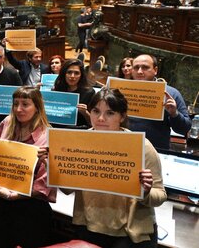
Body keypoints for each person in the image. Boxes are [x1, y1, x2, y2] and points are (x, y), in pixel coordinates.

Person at [66, 87, 166, 248]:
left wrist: (145, 191)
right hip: (88, 227)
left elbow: (160, 195)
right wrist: (53, 167)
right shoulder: (79, 142)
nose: (101, 118)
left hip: (130, 235)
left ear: (122, 116)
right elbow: (66, 190)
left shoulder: (142, 147)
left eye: (110, 113)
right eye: (95, 111)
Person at [0, 86, 56, 248]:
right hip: (1, 203)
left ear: (37, 107)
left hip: (30, 209)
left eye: (25, 104)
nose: (19, 109)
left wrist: (15, 196)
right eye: (15, 104)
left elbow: (44, 183)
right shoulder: (7, 123)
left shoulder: (47, 136)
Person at [129, 54, 191, 149]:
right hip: (124, 148)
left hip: (157, 152)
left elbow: (184, 129)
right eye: (136, 67)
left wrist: (174, 114)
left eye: (145, 67)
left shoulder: (171, 93)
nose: (140, 71)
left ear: (155, 70)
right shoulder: (120, 91)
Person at [53, 59, 95, 129]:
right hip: (56, 128)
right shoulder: (58, 89)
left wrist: (85, 112)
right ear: (64, 74)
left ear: (81, 75)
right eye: (69, 72)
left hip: (78, 129)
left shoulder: (89, 93)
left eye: (76, 73)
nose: (72, 76)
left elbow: (93, 123)